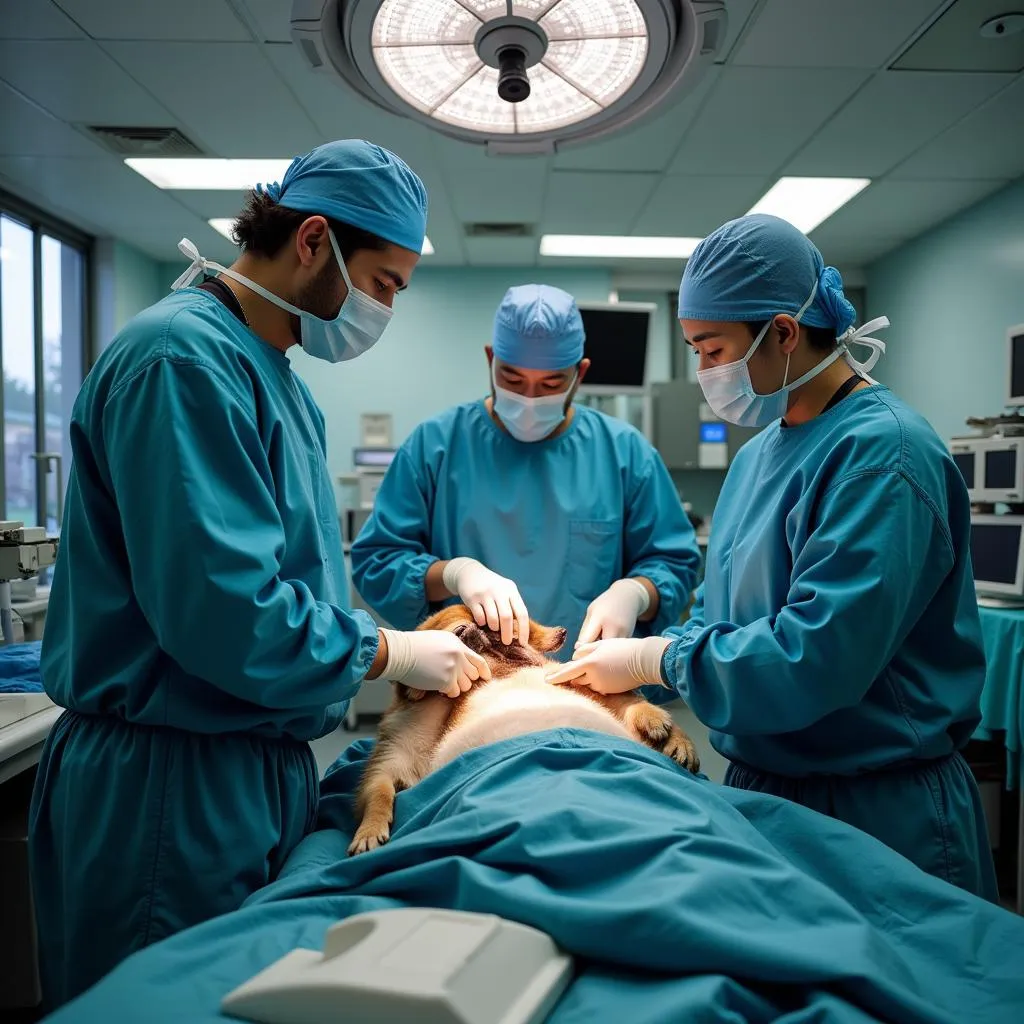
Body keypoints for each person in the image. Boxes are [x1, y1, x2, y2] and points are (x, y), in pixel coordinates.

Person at [29, 139, 491, 1009]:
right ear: (313, 240)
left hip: (243, 765)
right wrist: (385, 651)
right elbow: (222, 611)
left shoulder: (269, 373)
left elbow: (280, 580)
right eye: (385, 284)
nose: (384, 309)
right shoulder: (181, 360)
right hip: (168, 782)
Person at [548, 214, 999, 901]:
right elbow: (731, 623)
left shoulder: (884, 456)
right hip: (766, 787)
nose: (703, 372)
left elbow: (815, 659)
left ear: (783, 332)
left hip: (878, 810)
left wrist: (657, 660)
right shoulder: (761, 454)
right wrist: (650, 647)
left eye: (711, 349)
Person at [350, 283, 701, 658]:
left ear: (579, 375)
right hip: (466, 687)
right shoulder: (435, 446)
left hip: (589, 683)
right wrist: (454, 572)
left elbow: (673, 564)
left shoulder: (625, 453)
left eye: (551, 384)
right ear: (490, 360)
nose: (530, 399)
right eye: (513, 380)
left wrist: (633, 593)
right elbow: (379, 562)